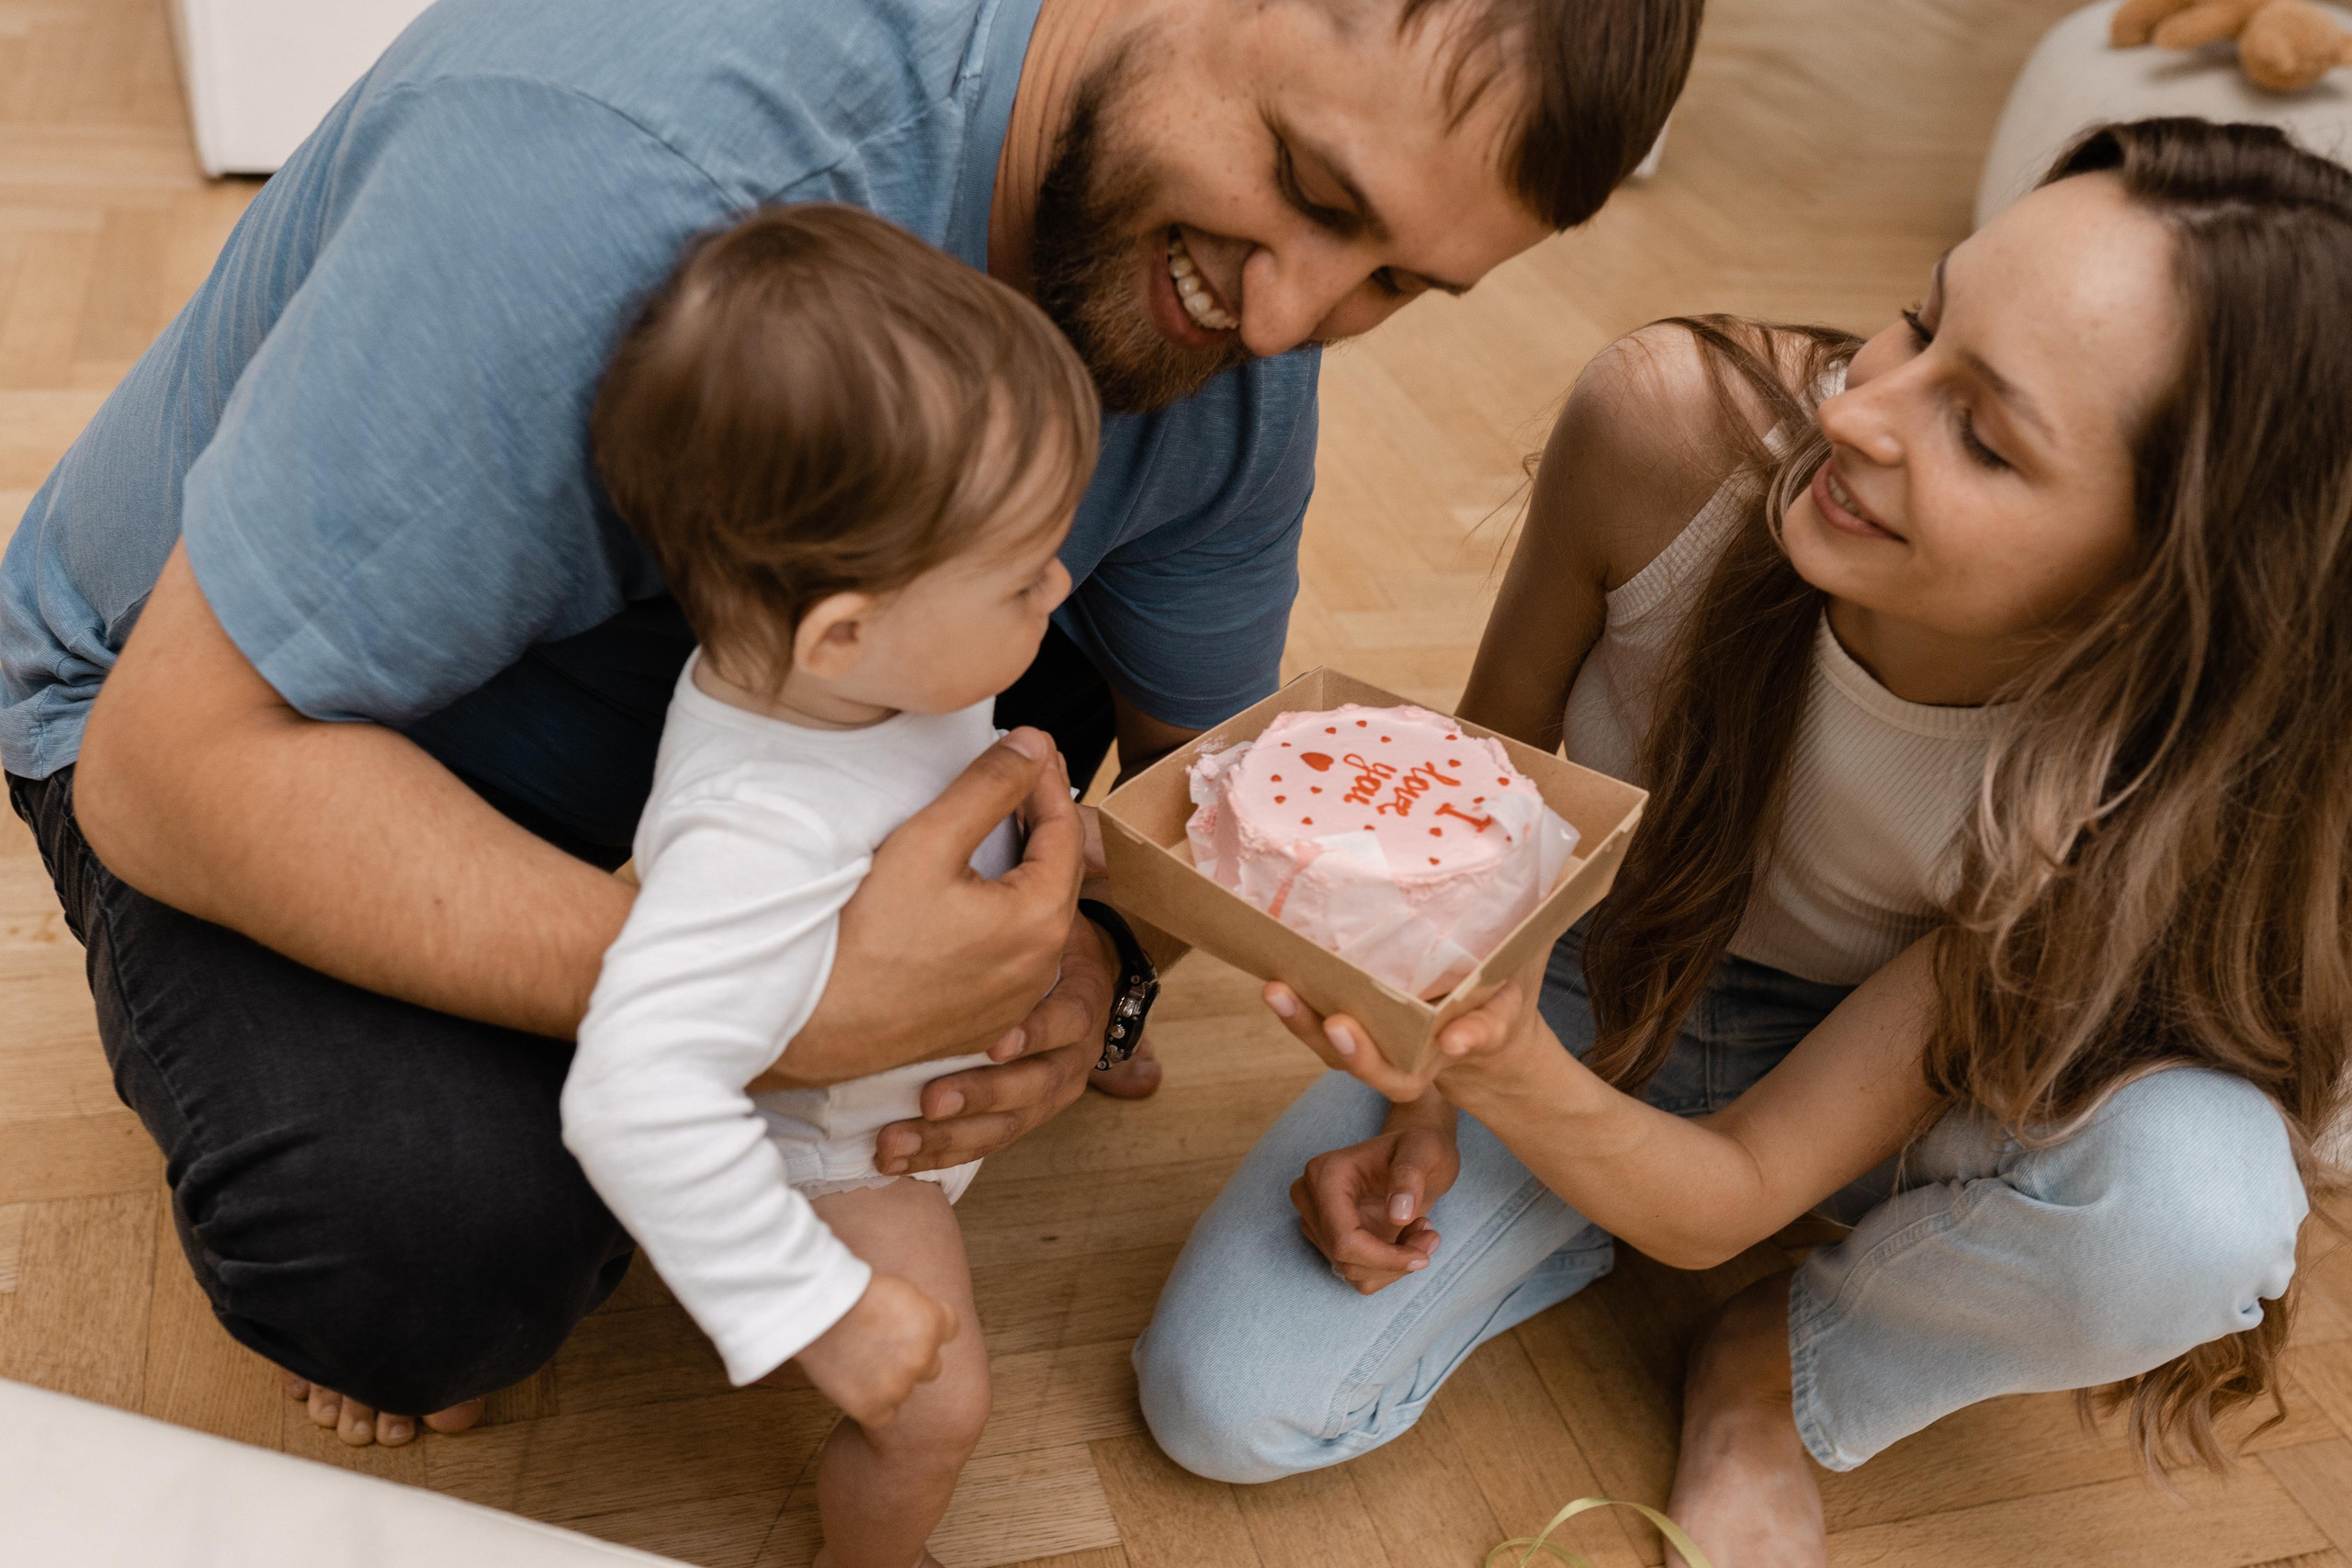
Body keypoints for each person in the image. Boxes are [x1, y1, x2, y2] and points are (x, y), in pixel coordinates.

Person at [0, 0, 1698, 1445]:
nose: (1284, 324)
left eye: (1398, 282)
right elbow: (173, 764)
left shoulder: (1247, 330)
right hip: (228, 719)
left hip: (742, 698)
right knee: (420, 1248)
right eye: (1310, 189)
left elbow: (1207, 797)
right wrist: (786, 996)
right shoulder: (616, 165)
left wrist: (1104, 965)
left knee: (1052, 662)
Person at [1135, 118, 2351, 1568]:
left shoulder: (2139, 788)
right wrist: (1432, 1104)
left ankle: (1772, 1367)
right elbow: (1483, 807)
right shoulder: (1668, 431)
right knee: (1223, 1402)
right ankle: (1595, 1196)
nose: (1862, 408)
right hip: (1592, 978)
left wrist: (1509, 1081)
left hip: (1906, 1093)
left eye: (1982, 434)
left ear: (2161, 587)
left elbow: (1736, 1196)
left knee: (2201, 1209)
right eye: (1923, 318)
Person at [564, 204, 1098, 1568]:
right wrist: (819, 1306)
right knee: (938, 1411)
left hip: (920, 1064)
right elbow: (631, 1095)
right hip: (838, 1154)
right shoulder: (757, 831)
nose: (1066, 579)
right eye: (1024, 573)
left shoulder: (854, 682)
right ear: (847, 631)